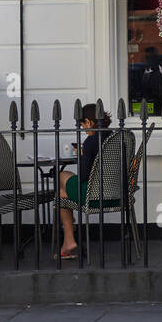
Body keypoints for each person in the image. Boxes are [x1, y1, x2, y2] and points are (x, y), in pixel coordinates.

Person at [56, 104, 109, 260]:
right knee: (62, 193)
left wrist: (83, 155)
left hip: (93, 196)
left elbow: (84, 176)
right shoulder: (118, 137)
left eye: (83, 125)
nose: (84, 130)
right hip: (119, 194)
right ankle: (68, 242)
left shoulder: (91, 141)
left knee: (61, 178)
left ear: (89, 121)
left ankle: (69, 239)